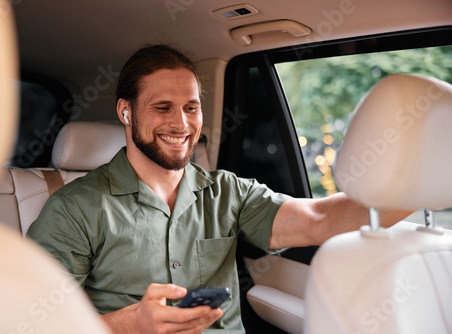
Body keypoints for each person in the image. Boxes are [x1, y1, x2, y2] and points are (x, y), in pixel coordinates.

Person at [27, 44, 411, 333]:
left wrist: (424, 184)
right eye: (162, 107)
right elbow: (35, 321)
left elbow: (319, 218)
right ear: (126, 112)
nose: (181, 124)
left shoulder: (228, 192)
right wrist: (131, 323)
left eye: (191, 107)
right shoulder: (74, 209)